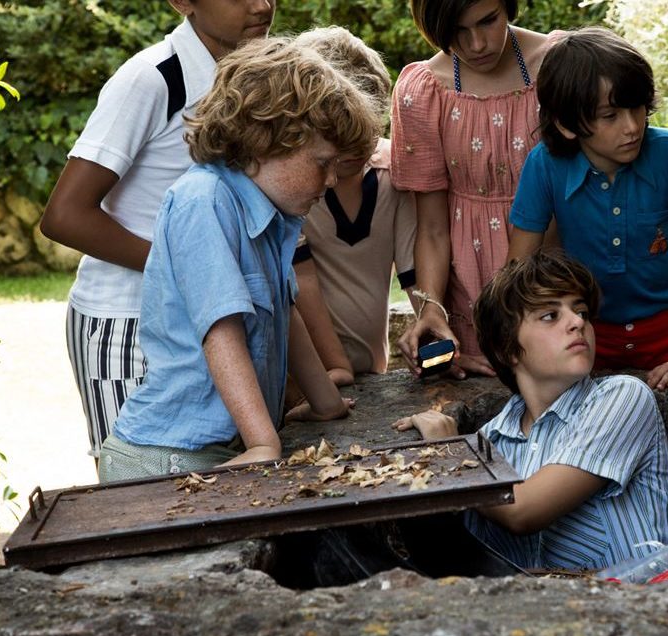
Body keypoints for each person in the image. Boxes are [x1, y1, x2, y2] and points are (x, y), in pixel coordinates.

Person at [97, 38, 379, 481]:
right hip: (169, 456)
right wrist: (263, 443)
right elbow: (221, 331)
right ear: (267, 141)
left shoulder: (272, 213)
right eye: (322, 163)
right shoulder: (204, 200)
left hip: (222, 448)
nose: (330, 181)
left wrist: (325, 402)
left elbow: (285, 314)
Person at [39, 0, 276, 469]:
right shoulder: (152, 79)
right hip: (125, 324)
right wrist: (189, 272)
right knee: (137, 489)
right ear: (182, 2)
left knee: (211, 484)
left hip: (210, 321)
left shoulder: (258, 77)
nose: (262, 4)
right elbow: (64, 215)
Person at [393, 250, 668, 571]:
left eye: (582, 311)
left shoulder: (623, 398)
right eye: (550, 316)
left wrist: (451, 452)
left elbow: (522, 512)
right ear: (507, 349)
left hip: (638, 597)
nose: (577, 322)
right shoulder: (491, 441)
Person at [507, 27, 668, 390]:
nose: (632, 127)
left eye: (636, 107)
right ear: (567, 124)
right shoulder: (544, 165)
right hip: (584, 336)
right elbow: (518, 273)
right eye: (610, 116)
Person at [390, 0, 555, 378]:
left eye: (488, 21)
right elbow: (432, 228)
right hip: (472, 290)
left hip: (555, 276)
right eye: (458, 31)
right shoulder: (423, 91)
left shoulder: (556, 65)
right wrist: (431, 310)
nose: (477, 44)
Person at [289, 27, 419, 378]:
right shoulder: (291, 184)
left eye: (370, 130)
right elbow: (302, 281)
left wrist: (431, 324)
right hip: (307, 378)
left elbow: (413, 271)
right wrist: (337, 368)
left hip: (372, 371)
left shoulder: (395, 170)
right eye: (341, 136)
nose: (358, 147)